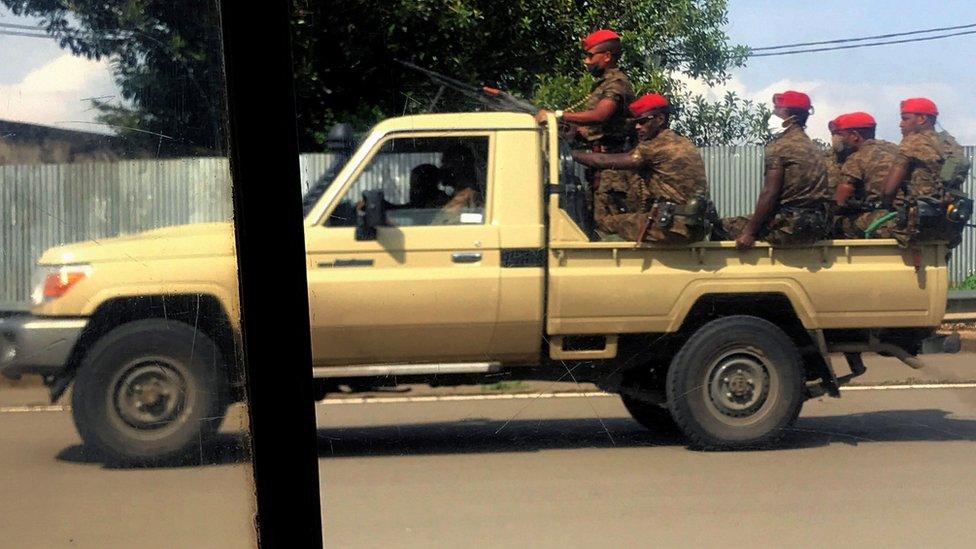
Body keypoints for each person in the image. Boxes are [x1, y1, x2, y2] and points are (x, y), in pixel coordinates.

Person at [571, 93, 711, 244]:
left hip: (671, 227)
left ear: (660, 120)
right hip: (694, 226)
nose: (637, 127)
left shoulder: (654, 146)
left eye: (643, 121)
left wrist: (569, 153)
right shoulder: (681, 142)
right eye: (636, 122)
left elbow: (603, 160)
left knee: (604, 223)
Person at [535, 29, 636, 229]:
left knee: (611, 228)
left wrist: (557, 115)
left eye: (591, 56)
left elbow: (601, 115)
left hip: (615, 170)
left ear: (607, 56)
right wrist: (571, 129)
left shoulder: (617, 83)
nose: (586, 61)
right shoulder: (603, 85)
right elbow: (598, 127)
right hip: (602, 166)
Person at [718, 91, 831, 248]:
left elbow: (769, 193)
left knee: (721, 226)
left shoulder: (780, 147)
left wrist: (749, 233)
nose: (772, 114)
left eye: (776, 110)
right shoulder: (813, 147)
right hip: (816, 226)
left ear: (786, 115)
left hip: (788, 226)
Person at [880, 97, 972, 249]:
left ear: (922, 119)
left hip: (916, 228)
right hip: (949, 227)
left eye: (905, 119)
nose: (901, 124)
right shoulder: (951, 143)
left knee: (859, 223)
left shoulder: (912, 142)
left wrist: (883, 204)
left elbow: (889, 190)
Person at [826, 112, 900, 238]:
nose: (837, 139)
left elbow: (840, 201)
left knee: (832, 223)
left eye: (841, 135)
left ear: (855, 136)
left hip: (881, 219)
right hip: (905, 215)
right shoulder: (895, 149)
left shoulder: (857, 158)